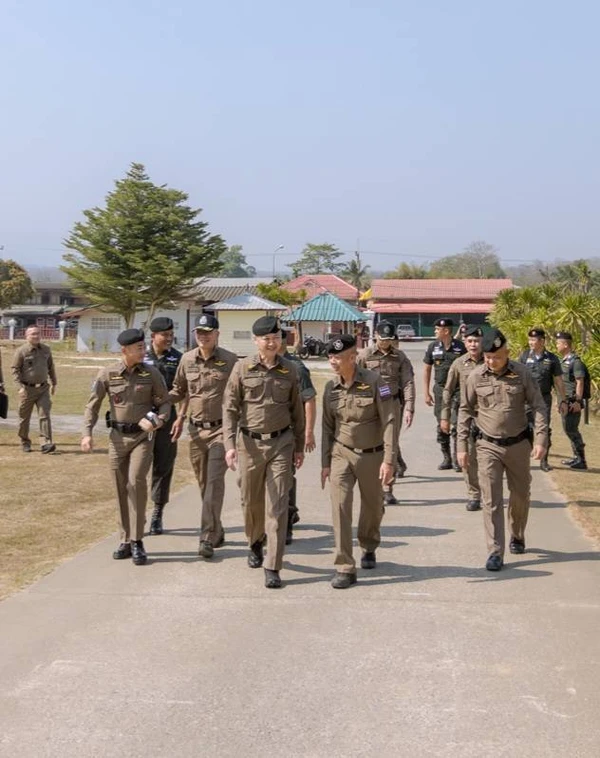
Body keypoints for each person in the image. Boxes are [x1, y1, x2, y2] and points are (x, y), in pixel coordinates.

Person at [223, 316, 305, 589]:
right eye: (266, 339)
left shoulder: (290, 370)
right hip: (249, 445)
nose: (272, 343)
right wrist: (230, 445)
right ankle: (255, 541)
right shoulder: (241, 368)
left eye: (276, 338)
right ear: (256, 341)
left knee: (279, 505)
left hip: (281, 443)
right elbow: (230, 409)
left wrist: (299, 446)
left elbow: (297, 411)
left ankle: (273, 564)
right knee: (250, 501)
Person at [457, 329, 548, 571]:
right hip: (487, 446)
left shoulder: (522, 373)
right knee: (491, 500)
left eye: (496, 357)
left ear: (507, 353)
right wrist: (462, 446)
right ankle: (495, 551)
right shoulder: (475, 376)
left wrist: (540, 440)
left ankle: (517, 533)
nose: (491, 361)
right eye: (487, 357)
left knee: (520, 495)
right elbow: (465, 411)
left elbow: (538, 406)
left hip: (518, 445)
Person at [81, 328, 171, 565]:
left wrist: (156, 421)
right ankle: (125, 539)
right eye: (138, 348)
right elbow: (93, 405)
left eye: (143, 346)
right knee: (120, 488)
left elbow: (165, 405)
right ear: (124, 350)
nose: (143, 351)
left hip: (143, 438)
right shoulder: (108, 373)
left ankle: (138, 540)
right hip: (117, 439)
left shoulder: (151, 373)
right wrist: (87, 434)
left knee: (136, 482)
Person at [321, 335, 395, 589]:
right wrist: (325, 463)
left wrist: (389, 460)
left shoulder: (376, 382)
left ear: (353, 357)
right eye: (330, 357)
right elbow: (327, 428)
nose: (333, 361)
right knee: (340, 507)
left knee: (373, 507)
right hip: (341, 453)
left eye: (338, 357)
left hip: (372, 455)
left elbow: (389, 422)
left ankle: (369, 543)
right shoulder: (331, 388)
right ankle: (344, 566)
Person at [169, 314, 237, 558]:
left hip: (221, 431)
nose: (203, 336)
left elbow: (239, 395)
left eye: (208, 332)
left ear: (217, 334)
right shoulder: (186, 360)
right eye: (199, 332)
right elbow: (180, 390)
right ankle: (216, 528)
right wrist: (163, 402)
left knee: (214, 482)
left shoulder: (230, 361)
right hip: (196, 431)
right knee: (203, 484)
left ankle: (206, 537)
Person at [357, 320, 415, 505]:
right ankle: (373, 487)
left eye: (389, 340)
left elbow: (408, 382)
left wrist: (410, 407)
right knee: (372, 446)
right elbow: (354, 379)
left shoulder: (400, 357)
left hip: (392, 406)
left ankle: (388, 488)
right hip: (370, 407)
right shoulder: (364, 355)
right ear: (375, 336)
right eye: (382, 339)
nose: (385, 343)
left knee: (391, 445)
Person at [277, 328, 317, 544]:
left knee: (286, 478)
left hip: (290, 433)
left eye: (276, 338)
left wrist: (308, 432)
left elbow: (309, 399)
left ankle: (288, 519)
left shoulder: (296, 367)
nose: (272, 343)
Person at [144, 316, 183, 534]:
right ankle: (137, 513)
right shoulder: (141, 355)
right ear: (153, 336)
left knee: (163, 465)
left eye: (171, 335)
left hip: (167, 418)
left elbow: (183, 390)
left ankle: (157, 513)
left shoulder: (178, 359)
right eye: (164, 335)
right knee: (138, 467)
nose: (169, 339)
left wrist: (179, 417)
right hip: (141, 418)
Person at [440, 325, 484, 511]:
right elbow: (448, 390)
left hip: (488, 416)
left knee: (488, 458)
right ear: (465, 342)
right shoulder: (458, 364)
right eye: (470, 341)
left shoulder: (491, 360)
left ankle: (489, 493)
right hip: (466, 415)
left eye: (477, 341)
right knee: (468, 457)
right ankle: (474, 494)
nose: (473, 344)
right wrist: (445, 416)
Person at [423, 318, 467, 470]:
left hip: (457, 391)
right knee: (442, 425)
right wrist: (426, 392)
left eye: (437, 329)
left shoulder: (461, 347)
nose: (435, 331)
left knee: (456, 424)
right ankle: (446, 458)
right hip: (440, 391)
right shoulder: (432, 347)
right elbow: (427, 369)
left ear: (446, 331)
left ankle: (456, 459)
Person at [11, 325, 57, 453]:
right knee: (24, 417)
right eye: (33, 334)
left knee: (44, 415)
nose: (36, 336)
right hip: (27, 389)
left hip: (43, 388)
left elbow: (51, 367)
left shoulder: (46, 349)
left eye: (37, 333)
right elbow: (15, 371)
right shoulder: (21, 351)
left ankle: (46, 443)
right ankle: (25, 441)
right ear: (26, 336)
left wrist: (54, 383)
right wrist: (20, 388)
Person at [555, 331, 588, 470]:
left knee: (571, 429)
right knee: (568, 429)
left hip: (572, 401)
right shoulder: (564, 361)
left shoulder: (576, 362)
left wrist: (577, 401)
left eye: (558, 343)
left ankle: (581, 460)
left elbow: (580, 382)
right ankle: (576, 457)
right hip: (565, 401)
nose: (556, 345)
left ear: (565, 344)